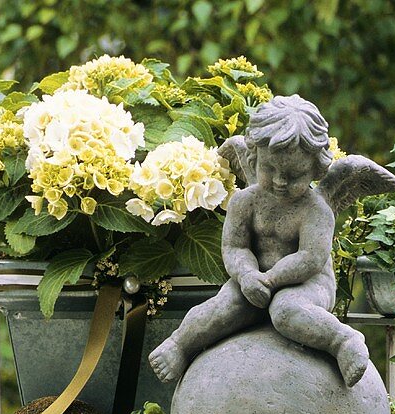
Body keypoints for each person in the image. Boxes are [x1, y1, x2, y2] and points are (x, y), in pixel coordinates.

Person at [149, 95, 375, 388]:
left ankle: (343, 341)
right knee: (224, 305)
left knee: (287, 311)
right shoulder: (245, 201)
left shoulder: (315, 209)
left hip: (307, 284)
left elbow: (311, 258)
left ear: (316, 170)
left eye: (294, 175)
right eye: (270, 170)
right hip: (253, 278)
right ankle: (180, 344)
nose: (280, 181)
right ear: (254, 158)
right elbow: (235, 246)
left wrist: (269, 281)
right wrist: (246, 275)